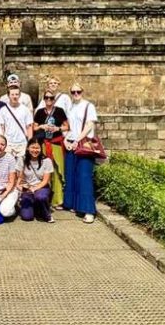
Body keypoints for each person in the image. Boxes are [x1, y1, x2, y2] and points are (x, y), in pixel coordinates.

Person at [63, 82, 98, 224]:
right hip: (71, 143)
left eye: (78, 91)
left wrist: (78, 139)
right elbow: (67, 127)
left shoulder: (88, 106)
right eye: (73, 92)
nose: (76, 94)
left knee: (84, 176)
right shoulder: (70, 107)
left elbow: (90, 125)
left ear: (82, 92)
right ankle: (76, 204)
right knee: (71, 175)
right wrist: (66, 139)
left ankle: (89, 210)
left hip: (83, 144)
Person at [33, 90, 68, 209]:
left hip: (56, 143)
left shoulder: (59, 111)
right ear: (44, 99)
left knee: (57, 171)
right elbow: (34, 127)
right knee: (45, 171)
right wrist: (42, 126)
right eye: (46, 98)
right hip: (44, 144)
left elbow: (67, 126)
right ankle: (45, 199)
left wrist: (58, 128)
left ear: (54, 100)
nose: (49, 100)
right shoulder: (39, 112)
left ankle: (57, 200)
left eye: (51, 98)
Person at [17, 137, 54, 222]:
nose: (35, 150)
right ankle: (35, 207)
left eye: (37, 148)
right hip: (27, 188)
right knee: (27, 217)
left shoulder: (47, 161)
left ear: (41, 149)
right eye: (32, 147)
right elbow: (20, 178)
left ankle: (47, 214)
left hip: (41, 187)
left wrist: (34, 189)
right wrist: (19, 186)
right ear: (28, 148)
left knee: (40, 197)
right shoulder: (22, 159)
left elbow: (45, 181)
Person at [0, 86, 33, 167]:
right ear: (8, 95)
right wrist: (2, 143)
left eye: (17, 94)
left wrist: (30, 143)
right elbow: (2, 128)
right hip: (8, 143)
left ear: (19, 95)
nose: (15, 96)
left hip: (22, 143)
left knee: (21, 169)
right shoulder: (3, 110)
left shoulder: (25, 110)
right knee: (9, 168)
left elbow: (29, 127)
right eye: (12, 94)